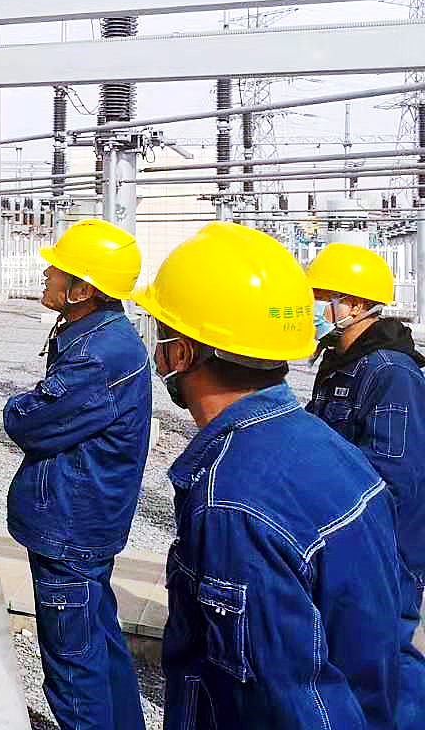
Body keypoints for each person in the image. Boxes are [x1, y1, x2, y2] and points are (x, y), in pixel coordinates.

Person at [136, 222, 400, 729]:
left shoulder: (231, 502)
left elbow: (286, 704)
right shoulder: (330, 447)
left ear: (183, 353)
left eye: (162, 335)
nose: (157, 350)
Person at [2, 218, 151, 730]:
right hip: (84, 522)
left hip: (70, 529)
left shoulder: (96, 356)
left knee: (72, 669)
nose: (46, 275)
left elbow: (30, 421)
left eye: (57, 270)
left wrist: (16, 406)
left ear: (82, 289)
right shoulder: (99, 336)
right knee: (99, 642)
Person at [306, 242, 425, 726]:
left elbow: (393, 476)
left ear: (355, 305)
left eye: (322, 296)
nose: (313, 307)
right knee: (354, 657)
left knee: (388, 659)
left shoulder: (391, 372)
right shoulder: (340, 360)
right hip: (350, 540)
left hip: (387, 551)